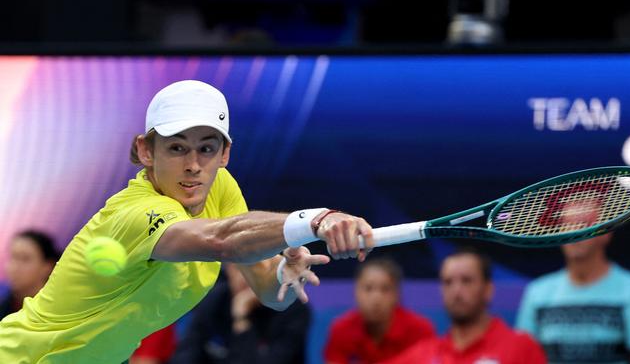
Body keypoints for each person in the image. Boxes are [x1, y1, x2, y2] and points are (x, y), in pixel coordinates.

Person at [0, 80, 375, 364]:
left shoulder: (219, 188)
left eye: (207, 148)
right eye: (177, 147)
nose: (193, 164)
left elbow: (267, 291)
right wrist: (317, 221)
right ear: (146, 150)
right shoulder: (134, 214)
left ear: (225, 154)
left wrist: (283, 275)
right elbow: (221, 239)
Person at [382, 248, 545, 364]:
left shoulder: (521, 347)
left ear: (488, 289)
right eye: (448, 282)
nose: (456, 291)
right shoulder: (424, 354)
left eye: (466, 280)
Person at [517, 233, 630, 364]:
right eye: (567, 227)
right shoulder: (537, 292)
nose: (574, 235)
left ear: (605, 234)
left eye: (583, 225)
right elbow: (523, 355)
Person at [170, 263, 310, 364]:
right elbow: (185, 356)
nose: (245, 279)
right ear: (229, 269)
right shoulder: (213, 301)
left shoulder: (292, 311)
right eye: (240, 269)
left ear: (270, 273)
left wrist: (241, 319)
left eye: (255, 270)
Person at [323, 258, 435, 364]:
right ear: (355, 292)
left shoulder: (420, 330)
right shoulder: (341, 330)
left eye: (385, 289)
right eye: (368, 288)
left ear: (397, 295)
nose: (376, 298)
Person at [0, 230, 60, 319]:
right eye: (13, 257)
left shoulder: (59, 312)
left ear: (47, 267)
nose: (14, 267)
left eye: (25, 259)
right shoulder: (3, 305)